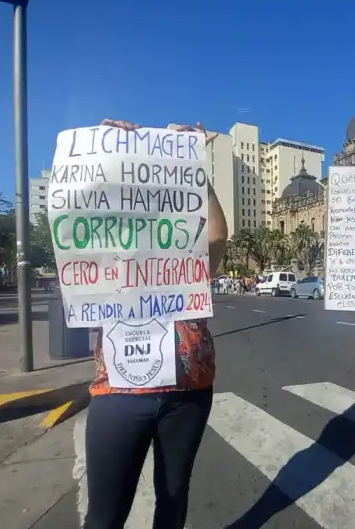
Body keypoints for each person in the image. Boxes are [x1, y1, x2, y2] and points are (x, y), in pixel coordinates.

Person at [82, 120, 229, 529]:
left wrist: (195, 167)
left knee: (173, 499)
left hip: (188, 393)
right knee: (105, 514)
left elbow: (217, 235)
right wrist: (106, 157)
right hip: (119, 393)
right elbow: (85, 222)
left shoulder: (187, 261)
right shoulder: (105, 259)